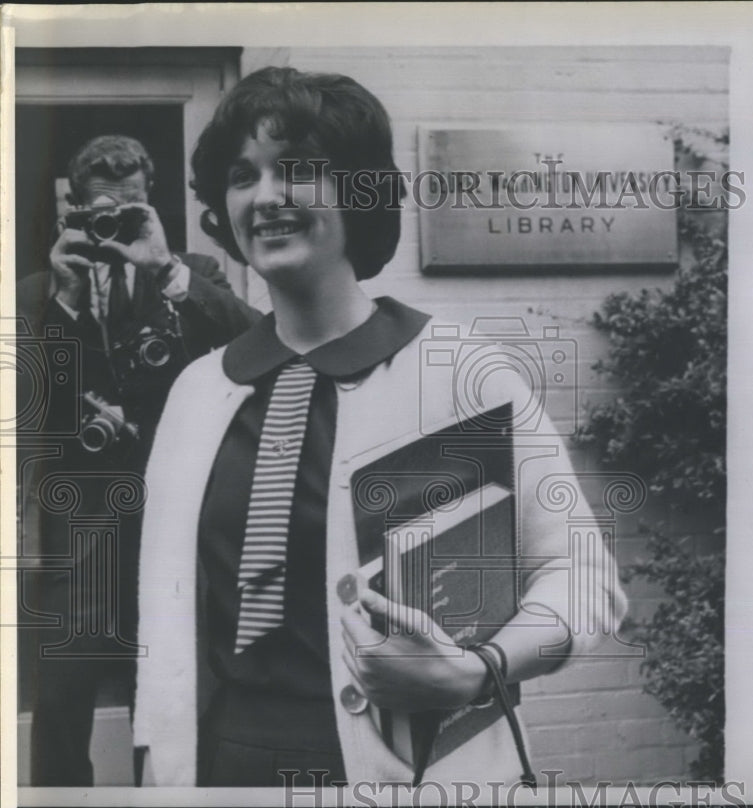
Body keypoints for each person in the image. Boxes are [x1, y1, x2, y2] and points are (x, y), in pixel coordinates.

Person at [133, 67, 627, 788]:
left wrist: (480, 668)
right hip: (225, 767)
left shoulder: (461, 375)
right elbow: (168, 621)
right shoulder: (198, 394)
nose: (265, 197)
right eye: (242, 176)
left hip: (414, 773)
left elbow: (581, 578)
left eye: (296, 169)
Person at [16, 134, 261, 786]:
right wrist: (65, 301)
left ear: (150, 203)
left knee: (163, 691)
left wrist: (165, 270)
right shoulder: (38, 291)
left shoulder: (193, 274)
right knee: (62, 697)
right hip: (81, 522)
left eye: (128, 213)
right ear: (71, 209)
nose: (111, 228)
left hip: (172, 519)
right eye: (99, 214)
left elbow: (254, 345)